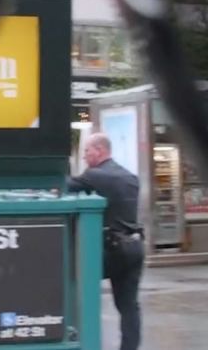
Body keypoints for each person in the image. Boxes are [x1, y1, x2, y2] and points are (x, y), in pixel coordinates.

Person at [67, 133, 144, 350]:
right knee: (129, 306)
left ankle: (84, 340)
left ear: (100, 150)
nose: (84, 156)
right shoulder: (130, 177)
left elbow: (65, 185)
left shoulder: (96, 175)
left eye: (87, 151)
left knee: (78, 285)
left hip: (110, 248)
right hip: (134, 246)